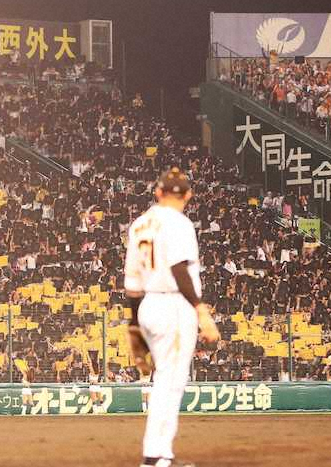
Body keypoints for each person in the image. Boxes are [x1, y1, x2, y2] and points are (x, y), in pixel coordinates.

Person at [125, 167, 220, 467]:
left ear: (158, 192)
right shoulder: (179, 223)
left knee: (164, 379)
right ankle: (157, 457)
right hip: (173, 305)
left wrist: (134, 325)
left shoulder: (139, 225)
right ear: (188, 195)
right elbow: (179, 269)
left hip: (148, 305)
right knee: (170, 382)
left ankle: (157, 455)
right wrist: (201, 310)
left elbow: (132, 282)